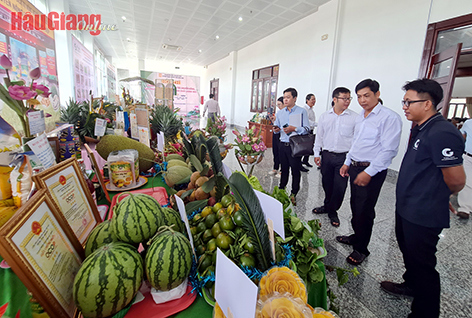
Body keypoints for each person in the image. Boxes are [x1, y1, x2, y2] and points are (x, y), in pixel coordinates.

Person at [380, 79, 465, 318]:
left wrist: (438, 196)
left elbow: (457, 179)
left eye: (409, 102)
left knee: (424, 265)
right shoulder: (422, 127)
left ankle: (424, 313)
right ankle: (411, 284)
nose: (404, 106)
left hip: (423, 212)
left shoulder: (442, 132)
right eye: (404, 101)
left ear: (427, 104)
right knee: (411, 254)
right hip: (408, 207)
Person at [336, 79, 402, 265]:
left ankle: (361, 249)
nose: (362, 100)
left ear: (377, 94)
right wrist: (347, 162)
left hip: (372, 170)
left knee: (365, 209)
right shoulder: (361, 116)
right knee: (356, 206)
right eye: (359, 97)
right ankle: (357, 237)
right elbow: (356, 142)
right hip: (356, 166)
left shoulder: (389, 118)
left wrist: (369, 172)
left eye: (366, 95)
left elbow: (388, 151)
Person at [312, 87, 357, 227]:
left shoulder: (355, 117)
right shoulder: (325, 116)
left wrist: (350, 160)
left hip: (344, 158)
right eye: (344, 98)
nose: (347, 101)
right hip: (327, 156)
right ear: (335, 99)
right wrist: (316, 153)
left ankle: (333, 211)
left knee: (339, 187)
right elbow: (319, 136)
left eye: (349, 98)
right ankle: (327, 205)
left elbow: (356, 140)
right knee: (327, 183)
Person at [273, 87, 310, 206]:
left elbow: (307, 129)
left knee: (295, 170)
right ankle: (281, 189)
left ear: (295, 98)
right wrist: (276, 129)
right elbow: (276, 130)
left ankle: (294, 193)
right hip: (282, 145)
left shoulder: (301, 111)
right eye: (284, 97)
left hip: (295, 146)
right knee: (284, 169)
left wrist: (294, 128)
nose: (285, 100)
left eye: (288, 97)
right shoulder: (280, 113)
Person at [269, 97, 285, 177]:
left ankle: (282, 170)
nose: (278, 107)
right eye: (277, 105)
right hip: (275, 134)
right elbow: (276, 124)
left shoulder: (286, 113)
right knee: (275, 151)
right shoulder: (278, 113)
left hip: (282, 134)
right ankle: (275, 168)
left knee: (281, 153)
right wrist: (273, 121)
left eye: (279, 105)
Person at [301, 94, 317, 171]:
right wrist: (317, 124)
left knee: (309, 146)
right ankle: (299, 164)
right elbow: (307, 121)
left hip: (311, 130)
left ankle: (305, 160)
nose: (314, 101)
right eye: (312, 99)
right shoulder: (305, 110)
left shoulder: (312, 110)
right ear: (307, 100)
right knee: (303, 147)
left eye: (314, 99)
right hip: (305, 130)